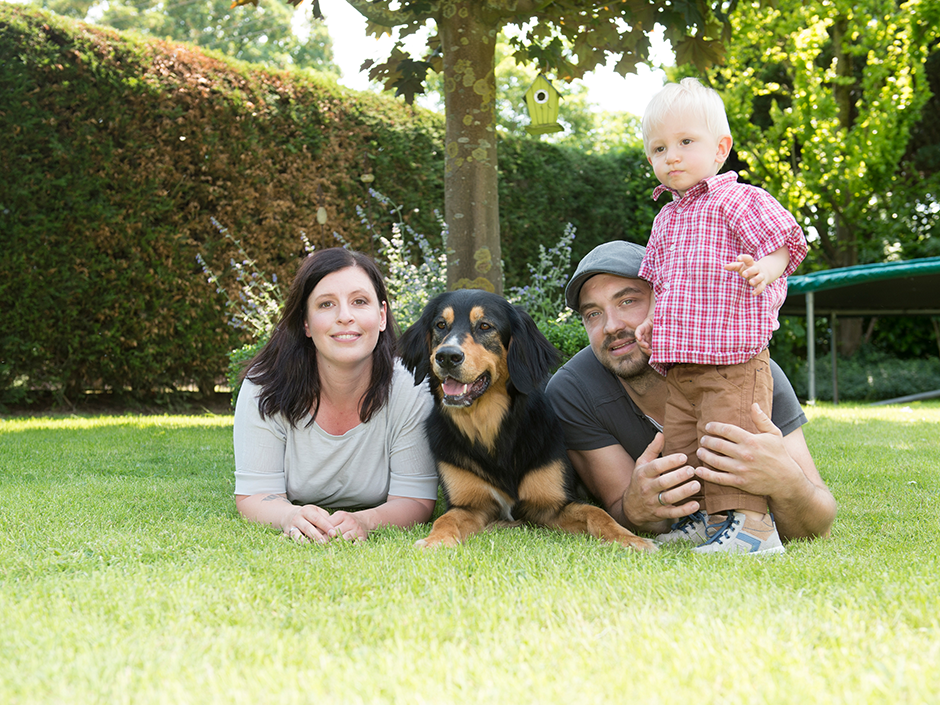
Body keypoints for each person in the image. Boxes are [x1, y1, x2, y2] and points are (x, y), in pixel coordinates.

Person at [545, 240, 836, 552]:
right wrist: (634, 508)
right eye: (593, 314)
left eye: (628, 302)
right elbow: (620, 508)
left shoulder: (747, 370)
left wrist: (785, 481)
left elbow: (818, 524)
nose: (612, 326)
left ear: (666, 298)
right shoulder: (573, 392)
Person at [630, 77, 809, 553]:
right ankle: (705, 521)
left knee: (730, 442)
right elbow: (661, 281)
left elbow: (787, 244)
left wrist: (765, 269)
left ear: (720, 148)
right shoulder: (665, 218)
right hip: (682, 366)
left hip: (733, 359)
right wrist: (650, 320)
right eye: (659, 148)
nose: (671, 156)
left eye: (686, 142)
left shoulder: (736, 200)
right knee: (687, 446)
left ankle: (752, 528)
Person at [233, 247, 439, 543]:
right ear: (305, 322)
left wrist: (365, 521)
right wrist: (288, 516)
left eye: (359, 301)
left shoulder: (410, 387)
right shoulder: (264, 387)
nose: (345, 316)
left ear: (381, 317)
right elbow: (255, 495)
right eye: (326, 304)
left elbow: (416, 500)